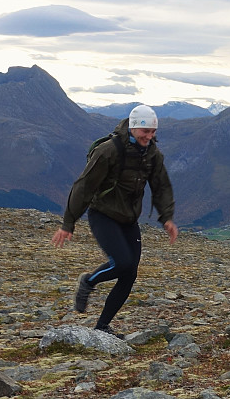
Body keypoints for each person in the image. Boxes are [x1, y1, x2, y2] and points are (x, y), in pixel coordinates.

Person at [51, 105, 178, 336]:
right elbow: (84, 186)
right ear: (133, 127)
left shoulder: (152, 154)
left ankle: (102, 327)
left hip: (128, 219)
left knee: (130, 273)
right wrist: (68, 223)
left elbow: (161, 186)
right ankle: (89, 281)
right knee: (122, 263)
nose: (149, 137)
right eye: (144, 132)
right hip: (103, 215)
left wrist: (167, 217)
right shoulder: (109, 151)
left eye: (153, 132)